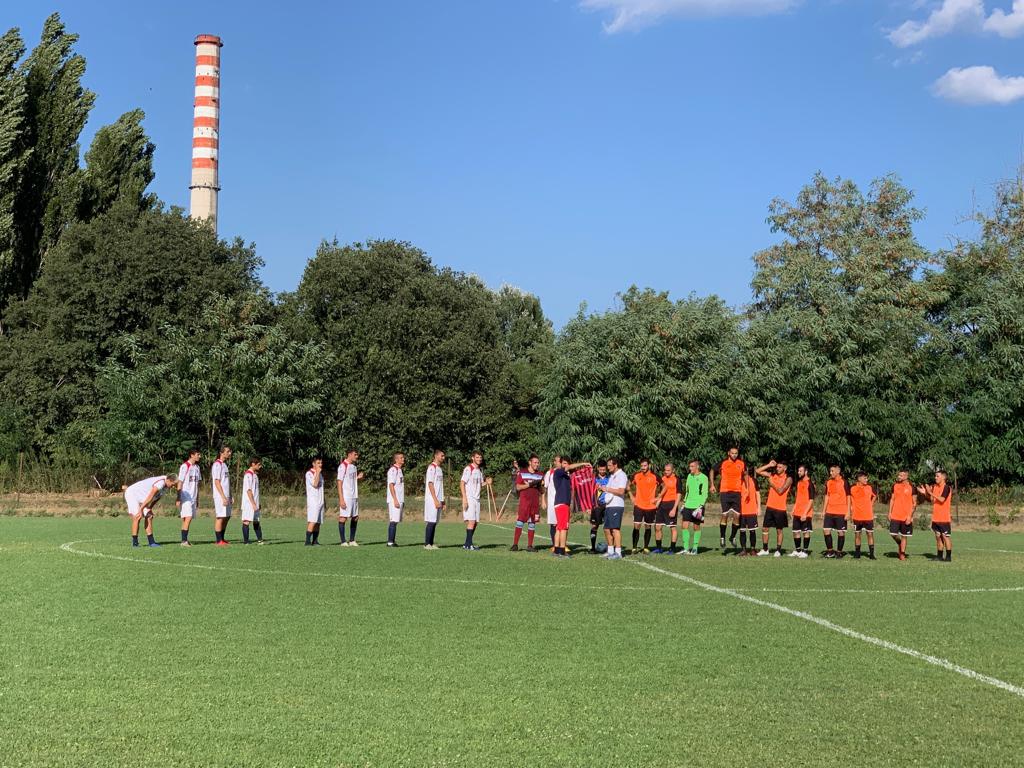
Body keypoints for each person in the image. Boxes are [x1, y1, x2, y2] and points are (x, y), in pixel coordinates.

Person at [124, 473, 177, 547]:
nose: (173, 486)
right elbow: (150, 497)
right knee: (137, 516)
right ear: (168, 480)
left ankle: (151, 542)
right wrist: (141, 509)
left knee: (149, 516)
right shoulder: (160, 483)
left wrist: (150, 508)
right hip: (132, 494)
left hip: (143, 497)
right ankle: (135, 543)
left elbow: (157, 497)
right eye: (173, 484)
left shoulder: (166, 486)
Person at [551, 457, 590, 557]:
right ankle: (562, 551)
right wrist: (584, 463)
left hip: (561, 503)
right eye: (564, 463)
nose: (566, 465)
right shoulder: (558, 472)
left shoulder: (566, 476)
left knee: (559, 528)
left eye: (567, 463)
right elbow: (569, 468)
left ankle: (557, 550)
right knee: (564, 528)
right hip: (562, 503)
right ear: (560, 464)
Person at [711, 447, 745, 552]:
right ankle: (722, 537)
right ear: (728, 453)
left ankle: (732, 537)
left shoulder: (741, 463)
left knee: (737, 516)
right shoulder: (723, 463)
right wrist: (712, 484)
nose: (734, 455)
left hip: (737, 492)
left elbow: (745, 476)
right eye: (732, 453)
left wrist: (746, 489)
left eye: (736, 453)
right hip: (725, 492)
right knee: (725, 515)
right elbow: (712, 470)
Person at [756, 460, 792, 557]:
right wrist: (769, 465)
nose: (777, 469)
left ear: (785, 468)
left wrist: (772, 484)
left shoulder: (788, 478)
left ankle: (778, 550)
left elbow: (781, 491)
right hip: (770, 507)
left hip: (780, 508)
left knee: (779, 530)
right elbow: (758, 471)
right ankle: (765, 549)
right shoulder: (772, 475)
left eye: (780, 467)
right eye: (777, 467)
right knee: (765, 528)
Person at [918, 470, 953, 562]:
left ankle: (948, 557)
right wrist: (925, 493)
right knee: (938, 537)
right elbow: (932, 500)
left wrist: (930, 492)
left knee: (945, 537)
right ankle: (939, 556)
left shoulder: (946, 488)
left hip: (944, 518)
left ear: (943, 477)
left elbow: (941, 499)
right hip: (936, 517)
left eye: (937, 476)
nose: (935, 478)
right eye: (935, 476)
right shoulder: (935, 487)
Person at [460, 451, 492, 551]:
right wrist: (464, 498)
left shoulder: (479, 470)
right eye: (477, 457)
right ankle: (469, 545)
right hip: (470, 498)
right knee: (471, 521)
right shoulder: (468, 468)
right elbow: (462, 483)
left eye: (480, 457)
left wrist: (486, 482)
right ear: (472, 458)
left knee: (475, 522)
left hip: (477, 499)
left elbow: (480, 484)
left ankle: (467, 544)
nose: (479, 459)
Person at [511, 455, 543, 552]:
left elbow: (542, 490)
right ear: (530, 462)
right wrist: (530, 484)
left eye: (538, 463)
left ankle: (530, 546)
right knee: (520, 522)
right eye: (535, 462)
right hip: (524, 502)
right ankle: (515, 545)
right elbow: (518, 487)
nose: (537, 464)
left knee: (532, 523)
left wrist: (541, 486)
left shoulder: (540, 474)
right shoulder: (522, 473)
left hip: (535, 503)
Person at [629, 459, 660, 554]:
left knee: (648, 527)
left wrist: (658, 498)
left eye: (645, 465)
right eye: (642, 466)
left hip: (650, 506)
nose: (643, 467)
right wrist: (631, 496)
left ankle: (646, 547)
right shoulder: (636, 475)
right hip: (638, 505)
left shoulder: (655, 476)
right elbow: (627, 485)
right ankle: (634, 547)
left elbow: (665, 486)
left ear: (649, 465)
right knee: (636, 526)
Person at [679, 460, 708, 555]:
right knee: (684, 526)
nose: (690, 468)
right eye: (689, 466)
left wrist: (701, 506)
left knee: (696, 527)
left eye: (692, 466)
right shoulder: (689, 476)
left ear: (697, 467)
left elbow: (704, 493)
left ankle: (695, 548)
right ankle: (686, 548)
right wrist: (684, 503)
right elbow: (687, 491)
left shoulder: (704, 477)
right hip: (688, 505)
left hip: (697, 506)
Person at [821, 465, 851, 558]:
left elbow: (848, 497)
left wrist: (848, 512)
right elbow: (827, 496)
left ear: (838, 471)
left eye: (832, 471)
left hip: (841, 511)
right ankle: (830, 551)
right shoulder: (829, 482)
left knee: (840, 532)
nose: (831, 473)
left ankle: (839, 552)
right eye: (830, 471)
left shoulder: (844, 482)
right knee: (826, 530)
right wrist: (824, 510)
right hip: (829, 510)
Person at [337, 449, 364, 547]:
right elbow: (339, 482)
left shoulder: (354, 467)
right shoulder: (343, 466)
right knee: (343, 517)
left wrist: (358, 478)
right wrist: (341, 499)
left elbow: (350, 480)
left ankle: (352, 540)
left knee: (355, 517)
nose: (357, 456)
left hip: (354, 496)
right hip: (346, 496)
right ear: (349, 454)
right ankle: (343, 541)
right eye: (355, 454)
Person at [602, 457, 628, 559]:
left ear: (615, 465)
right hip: (609, 505)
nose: (608, 467)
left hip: (616, 505)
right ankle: (610, 551)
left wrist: (607, 489)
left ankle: (618, 552)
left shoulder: (622, 475)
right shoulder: (612, 476)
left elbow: (621, 491)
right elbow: (608, 490)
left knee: (615, 529)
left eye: (609, 465)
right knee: (606, 529)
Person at [176, 448, 202, 547]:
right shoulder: (185, 466)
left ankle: (184, 540)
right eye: (198, 454)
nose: (199, 456)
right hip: (185, 496)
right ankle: (184, 541)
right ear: (192, 455)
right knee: (188, 517)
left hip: (193, 497)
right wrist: (178, 497)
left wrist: (197, 498)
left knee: (186, 519)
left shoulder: (197, 467)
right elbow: (180, 482)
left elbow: (197, 484)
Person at [888, 470, 916, 561]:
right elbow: (892, 499)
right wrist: (889, 512)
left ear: (906, 476)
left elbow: (914, 504)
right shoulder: (895, 486)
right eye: (898, 475)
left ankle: (902, 553)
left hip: (906, 516)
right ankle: (900, 544)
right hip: (895, 515)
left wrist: (910, 516)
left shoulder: (912, 487)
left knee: (904, 536)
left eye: (901, 475)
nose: (899, 477)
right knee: (893, 534)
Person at [652, 463, 679, 553]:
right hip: (661, 506)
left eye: (668, 470)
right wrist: (656, 505)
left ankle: (672, 549)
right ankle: (659, 548)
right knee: (657, 527)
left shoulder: (677, 479)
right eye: (665, 470)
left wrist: (674, 508)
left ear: (673, 470)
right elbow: (661, 494)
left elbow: (679, 495)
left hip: (671, 505)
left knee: (672, 528)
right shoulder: (663, 479)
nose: (666, 472)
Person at [789, 465, 815, 558]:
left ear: (806, 472)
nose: (798, 472)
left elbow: (811, 500)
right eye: (798, 471)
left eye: (800, 471)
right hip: (797, 512)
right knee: (796, 532)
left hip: (806, 513)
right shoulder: (799, 483)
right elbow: (798, 498)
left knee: (805, 532)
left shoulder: (810, 484)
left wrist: (805, 513)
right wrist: (793, 509)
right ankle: (798, 550)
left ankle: (805, 551)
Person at [850, 471, 877, 559]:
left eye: (867, 478)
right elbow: (850, 500)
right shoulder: (852, 488)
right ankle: (857, 554)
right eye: (865, 478)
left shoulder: (869, 487)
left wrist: (871, 504)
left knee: (870, 534)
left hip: (868, 516)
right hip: (857, 516)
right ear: (859, 479)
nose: (867, 480)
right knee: (857, 535)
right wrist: (851, 509)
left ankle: (872, 554)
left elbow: (875, 496)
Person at [211, 444, 233, 546]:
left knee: (227, 516)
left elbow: (226, 482)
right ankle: (218, 540)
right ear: (221, 453)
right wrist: (223, 497)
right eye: (227, 451)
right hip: (220, 496)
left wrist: (230, 495)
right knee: (220, 516)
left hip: (226, 495)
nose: (230, 453)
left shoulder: (224, 465)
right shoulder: (217, 465)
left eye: (230, 451)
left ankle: (222, 538)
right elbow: (217, 482)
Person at [424, 450, 446, 549]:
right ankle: (427, 544)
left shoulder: (439, 469)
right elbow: (430, 484)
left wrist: (442, 500)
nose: (443, 458)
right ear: (436, 456)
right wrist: (435, 499)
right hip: (432, 499)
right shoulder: (431, 468)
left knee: (435, 521)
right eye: (442, 456)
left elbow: (440, 486)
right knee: (431, 521)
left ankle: (431, 543)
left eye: (444, 456)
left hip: (439, 499)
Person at [241, 457, 264, 544]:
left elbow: (255, 491)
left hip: (255, 503)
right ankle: (246, 542)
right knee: (246, 521)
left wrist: (258, 503)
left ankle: (260, 540)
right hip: (248, 503)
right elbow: (249, 490)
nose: (260, 466)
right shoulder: (248, 475)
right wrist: (253, 504)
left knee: (256, 521)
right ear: (253, 464)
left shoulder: (255, 475)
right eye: (259, 464)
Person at [738, 468, 761, 556]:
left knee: (752, 531)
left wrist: (759, 508)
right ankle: (743, 550)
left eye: (745, 470)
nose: (744, 472)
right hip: (741, 511)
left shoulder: (754, 480)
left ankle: (752, 549)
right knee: (742, 531)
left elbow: (757, 494)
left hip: (752, 510)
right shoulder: (739, 481)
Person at [589, 460, 610, 553]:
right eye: (601, 469)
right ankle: (593, 548)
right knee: (594, 526)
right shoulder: (593, 478)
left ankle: (610, 548)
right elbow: (589, 492)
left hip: (607, 505)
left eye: (604, 469)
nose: (602, 471)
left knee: (608, 527)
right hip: (596, 505)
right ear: (598, 468)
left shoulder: (610, 478)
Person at [542, 455, 562, 551]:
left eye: (560, 461)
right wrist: (543, 500)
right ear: (554, 462)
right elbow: (544, 487)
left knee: (562, 524)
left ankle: (562, 545)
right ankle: (555, 545)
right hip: (552, 503)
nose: (559, 463)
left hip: (562, 502)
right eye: (557, 461)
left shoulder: (564, 473)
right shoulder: (549, 473)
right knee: (553, 524)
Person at [386, 453, 405, 547]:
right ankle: (390, 542)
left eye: (403, 457)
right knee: (393, 520)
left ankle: (392, 541)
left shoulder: (399, 470)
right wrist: (395, 499)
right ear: (396, 460)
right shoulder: (393, 470)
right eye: (401, 458)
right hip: (394, 500)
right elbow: (391, 485)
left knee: (396, 520)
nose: (403, 459)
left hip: (400, 499)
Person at [305, 457, 325, 546]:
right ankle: (307, 541)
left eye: (321, 463)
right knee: (312, 521)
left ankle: (315, 541)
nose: (320, 465)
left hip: (320, 501)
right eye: (318, 463)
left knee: (318, 522)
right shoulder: (309, 473)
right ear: (313, 464)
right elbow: (315, 484)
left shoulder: (320, 474)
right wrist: (317, 472)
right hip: (313, 501)